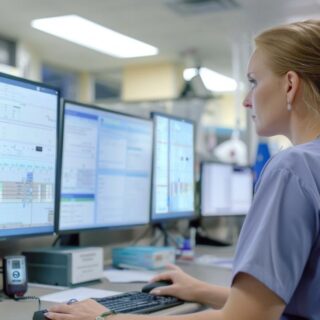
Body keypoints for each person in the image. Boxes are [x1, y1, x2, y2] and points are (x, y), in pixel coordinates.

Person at [45, 19, 320, 320]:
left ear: (290, 85)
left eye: (254, 82)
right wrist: (202, 291)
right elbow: (285, 302)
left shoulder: (292, 168)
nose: (245, 100)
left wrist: (107, 318)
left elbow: (244, 319)